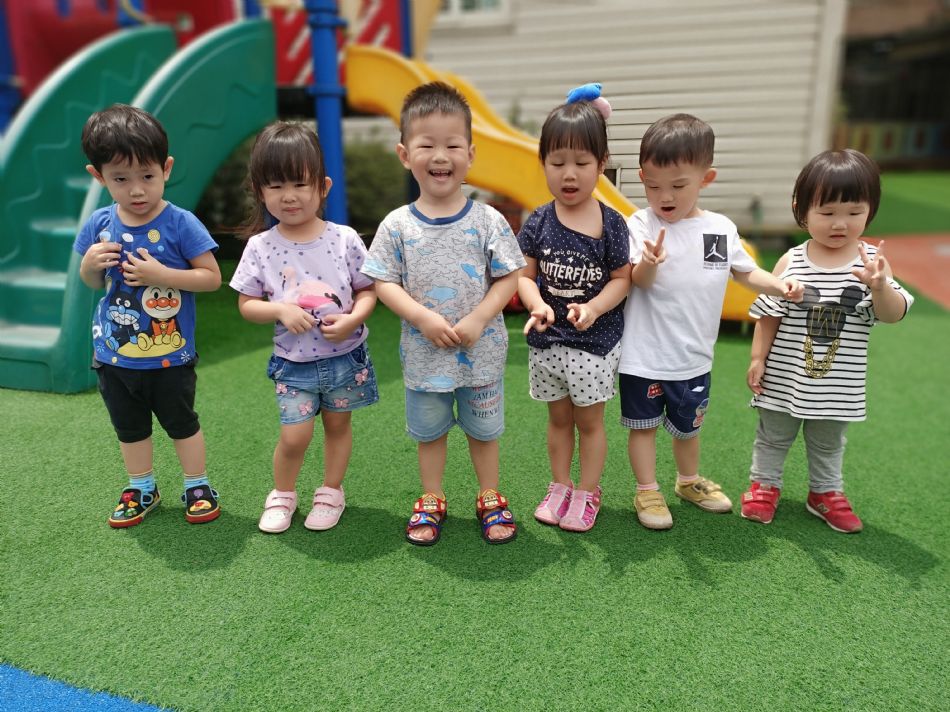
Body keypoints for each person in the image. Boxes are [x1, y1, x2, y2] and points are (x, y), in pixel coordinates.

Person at [620, 113, 804, 530]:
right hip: (644, 357)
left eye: (678, 185)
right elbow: (638, 280)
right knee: (643, 429)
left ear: (707, 178)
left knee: (688, 428)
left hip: (694, 356)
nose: (664, 196)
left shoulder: (719, 229)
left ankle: (688, 482)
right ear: (642, 178)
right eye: (653, 186)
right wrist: (649, 262)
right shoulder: (641, 223)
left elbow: (745, 273)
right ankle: (647, 490)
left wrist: (778, 285)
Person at [361, 82, 526, 546]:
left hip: (482, 355)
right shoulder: (396, 225)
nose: (440, 156)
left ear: (470, 154)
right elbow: (383, 282)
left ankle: (489, 494)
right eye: (426, 145)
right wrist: (421, 318)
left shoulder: (488, 219)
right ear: (404, 154)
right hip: (424, 357)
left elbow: (509, 277)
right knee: (429, 432)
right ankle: (432, 496)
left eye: (453, 145)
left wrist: (478, 318)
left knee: (484, 431)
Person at [741, 149, 913, 532]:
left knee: (828, 443)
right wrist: (758, 359)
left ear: (870, 210)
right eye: (827, 212)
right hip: (785, 377)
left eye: (853, 212)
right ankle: (764, 485)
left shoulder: (871, 263)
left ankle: (825, 492)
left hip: (839, 384)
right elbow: (769, 314)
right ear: (801, 210)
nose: (840, 223)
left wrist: (880, 286)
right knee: (773, 436)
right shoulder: (791, 260)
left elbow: (893, 313)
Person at [74, 104, 222, 528]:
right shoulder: (99, 224)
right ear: (99, 176)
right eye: (121, 179)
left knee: (182, 423)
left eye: (147, 176)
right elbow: (91, 283)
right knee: (129, 428)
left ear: (166, 169)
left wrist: (162, 276)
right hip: (114, 355)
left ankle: (197, 485)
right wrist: (89, 264)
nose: (137, 190)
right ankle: (141, 487)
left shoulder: (181, 224)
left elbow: (211, 278)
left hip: (169, 356)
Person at [230, 122, 379, 534]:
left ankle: (331, 491)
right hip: (293, 364)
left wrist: (353, 319)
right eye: (276, 185)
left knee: (338, 426)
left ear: (323, 187)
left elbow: (368, 291)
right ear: (259, 191)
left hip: (346, 358)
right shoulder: (260, 247)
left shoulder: (345, 239)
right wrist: (280, 309)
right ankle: (282, 494)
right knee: (294, 437)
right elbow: (247, 305)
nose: (289, 196)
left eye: (300, 183)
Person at [517, 85, 631, 532]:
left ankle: (587, 492)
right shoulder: (538, 220)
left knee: (590, 423)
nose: (569, 174)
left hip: (593, 345)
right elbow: (524, 275)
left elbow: (622, 279)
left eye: (582, 163)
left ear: (602, 164)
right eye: (557, 162)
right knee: (559, 420)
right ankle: (560, 485)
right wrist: (537, 304)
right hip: (548, 342)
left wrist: (595, 308)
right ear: (543, 162)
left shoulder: (611, 223)